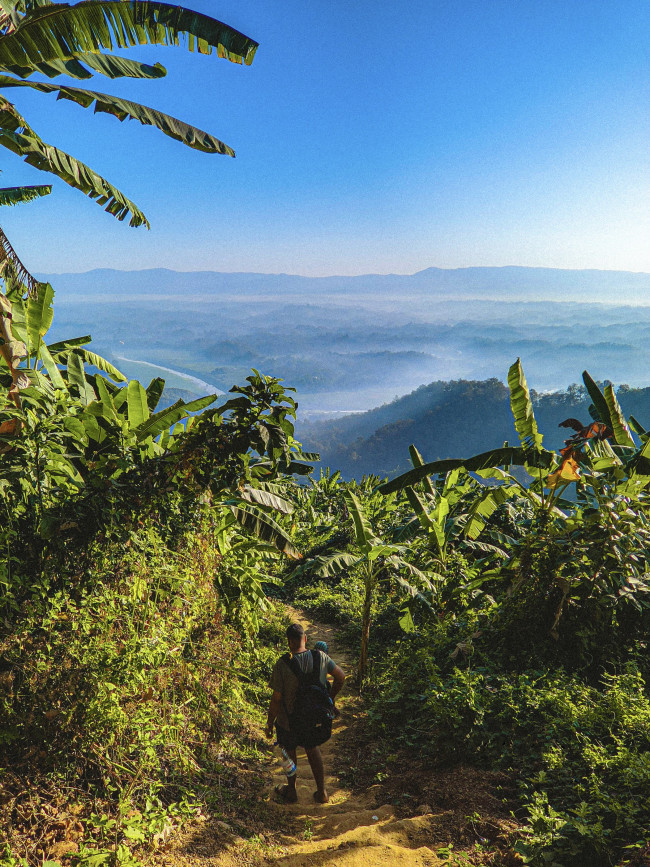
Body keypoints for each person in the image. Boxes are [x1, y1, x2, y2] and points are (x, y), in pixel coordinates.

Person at [265, 623, 345, 804]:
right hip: (314, 718)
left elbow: (276, 699)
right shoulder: (321, 656)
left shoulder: (282, 664)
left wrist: (270, 722)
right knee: (312, 748)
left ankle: (291, 791)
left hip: (289, 720)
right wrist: (330, 699)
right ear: (305, 639)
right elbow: (340, 677)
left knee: (288, 751)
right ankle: (322, 792)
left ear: (289, 642)